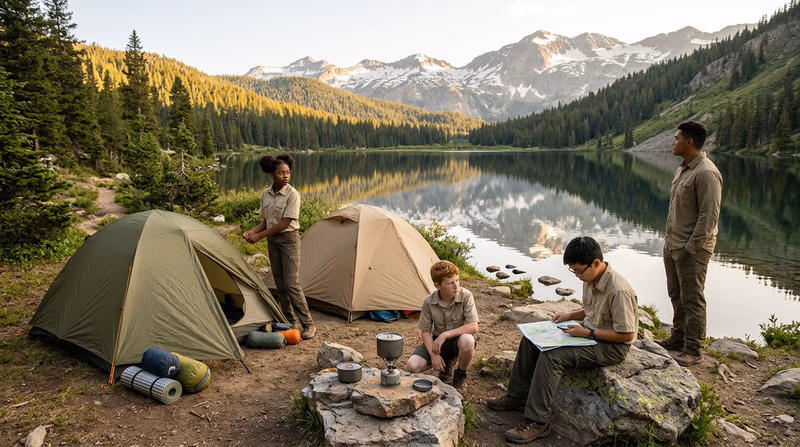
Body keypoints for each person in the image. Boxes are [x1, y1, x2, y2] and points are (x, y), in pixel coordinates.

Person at [487, 236, 638, 444]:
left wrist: (588, 334)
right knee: (532, 339)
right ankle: (518, 395)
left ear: (596, 263)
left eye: (579, 271)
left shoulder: (618, 290)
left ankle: (538, 422)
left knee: (553, 356)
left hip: (612, 346)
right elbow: (593, 309)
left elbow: (627, 335)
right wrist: (571, 315)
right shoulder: (591, 277)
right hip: (590, 333)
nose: (576, 276)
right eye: (573, 271)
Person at [655, 121, 722, 366]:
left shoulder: (706, 172)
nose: (673, 142)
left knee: (692, 298)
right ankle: (677, 338)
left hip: (691, 249)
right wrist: (670, 243)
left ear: (689, 142)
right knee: (676, 294)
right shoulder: (683, 168)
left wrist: (690, 249)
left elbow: (708, 217)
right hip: (672, 244)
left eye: (676, 138)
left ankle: (693, 350)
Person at [243, 153, 316, 340]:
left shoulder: (293, 194)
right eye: (281, 173)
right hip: (272, 240)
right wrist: (252, 232)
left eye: (288, 172)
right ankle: (288, 321)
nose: (286, 176)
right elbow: (267, 221)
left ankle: (308, 324)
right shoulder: (266, 194)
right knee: (279, 284)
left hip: (289, 239)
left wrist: (259, 236)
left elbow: (284, 223)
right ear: (272, 174)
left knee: (292, 283)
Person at [406, 260, 479, 390]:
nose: (456, 286)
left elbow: (473, 326)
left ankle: (460, 377)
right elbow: (425, 332)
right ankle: (447, 365)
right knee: (412, 366)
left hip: (457, 341)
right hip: (437, 342)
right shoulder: (429, 301)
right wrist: (433, 355)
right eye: (451, 283)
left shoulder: (466, 295)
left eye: (457, 280)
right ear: (437, 285)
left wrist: (445, 335)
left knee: (468, 340)